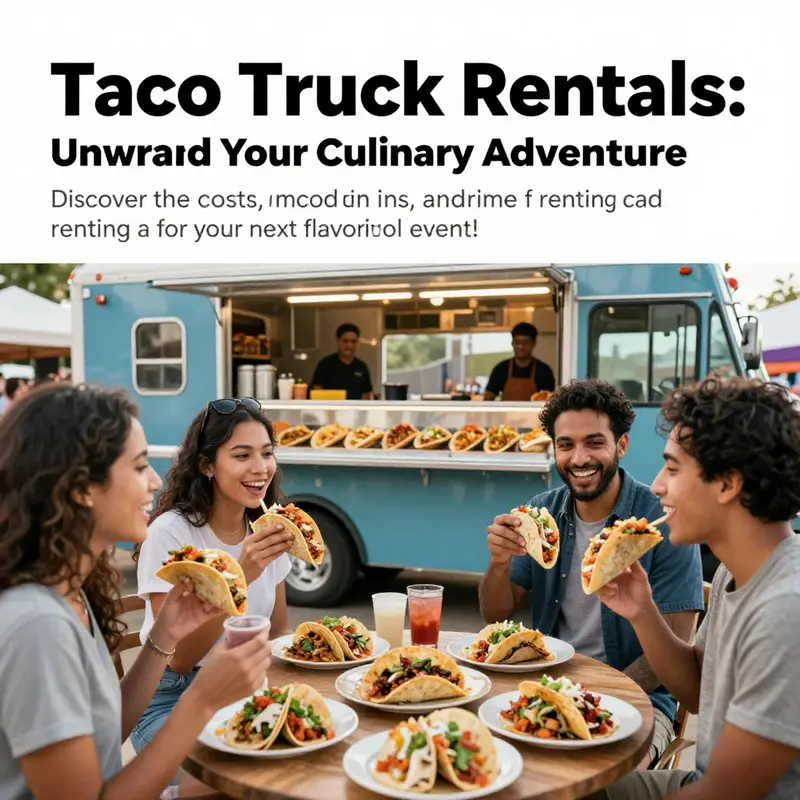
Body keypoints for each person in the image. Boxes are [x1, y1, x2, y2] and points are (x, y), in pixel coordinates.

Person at [0, 383, 271, 800]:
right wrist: (201, 699)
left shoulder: (71, 591)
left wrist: (165, 633)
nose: (155, 481)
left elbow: (108, 729)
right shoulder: (38, 627)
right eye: (140, 466)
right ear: (81, 488)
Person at [592, 377, 800, 800]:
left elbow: (726, 791)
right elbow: (696, 690)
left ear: (727, 483)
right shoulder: (733, 570)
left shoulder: (785, 610)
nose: (657, 485)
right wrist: (642, 611)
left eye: (672, 469)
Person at [479, 379, 704, 766]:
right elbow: (493, 614)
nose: (579, 458)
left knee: (585, 778)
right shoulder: (541, 513)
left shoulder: (663, 522)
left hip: (639, 700)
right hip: (547, 686)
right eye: (566, 445)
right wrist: (498, 565)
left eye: (594, 442)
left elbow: (677, 645)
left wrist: (589, 696)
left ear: (621, 445)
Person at [131, 397, 295, 793]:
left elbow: (278, 632)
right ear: (207, 465)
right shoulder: (171, 533)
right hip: (171, 700)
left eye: (267, 453)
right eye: (242, 455)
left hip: (244, 695)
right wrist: (241, 573)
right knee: (238, 787)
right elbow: (179, 658)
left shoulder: (267, 529)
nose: (260, 468)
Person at [483, 322, 556, 401]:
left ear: (534, 343)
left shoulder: (544, 371)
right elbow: (489, 395)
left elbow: (550, 400)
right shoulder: (501, 369)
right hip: (507, 410)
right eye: (517, 342)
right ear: (512, 343)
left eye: (526, 342)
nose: (521, 346)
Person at [310, 322, 374, 400]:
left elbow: (366, 394)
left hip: (355, 408)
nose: (350, 345)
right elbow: (317, 391)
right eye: (346, 341)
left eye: (353, 341)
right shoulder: (325, 364)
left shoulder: (361, 367)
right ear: (338, 341)